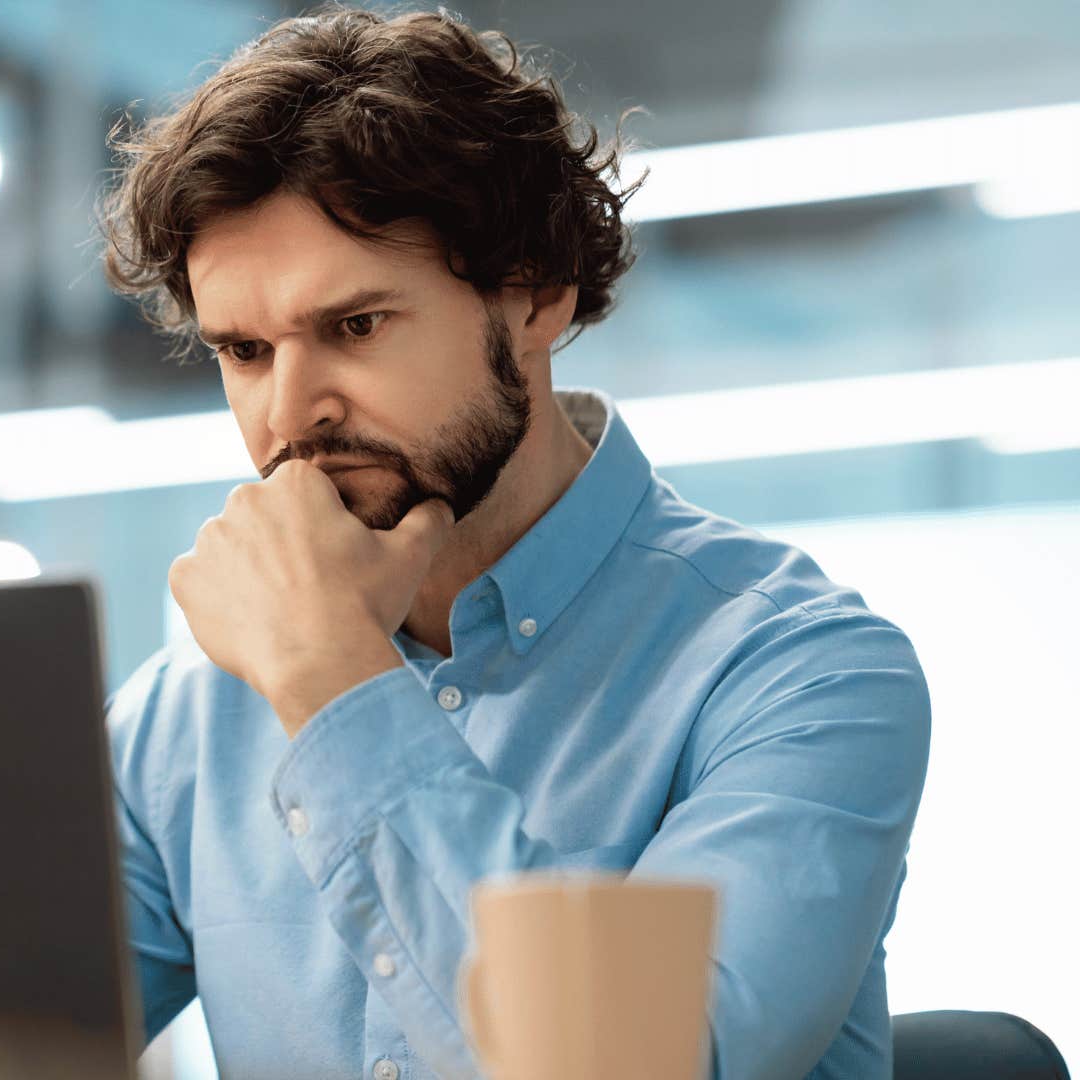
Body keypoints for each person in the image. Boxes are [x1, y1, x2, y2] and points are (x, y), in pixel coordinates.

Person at [97, 7, 930, 1079]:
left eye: (354, 327)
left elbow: (644, 1066)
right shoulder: (179, 726)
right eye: (247, 351)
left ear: (535, 292)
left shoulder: (800, 674)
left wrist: (330, 683)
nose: (289, 415)